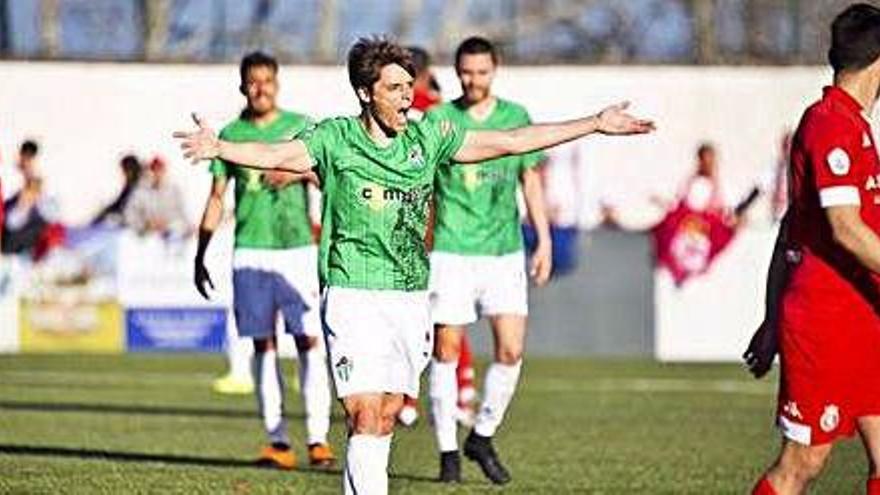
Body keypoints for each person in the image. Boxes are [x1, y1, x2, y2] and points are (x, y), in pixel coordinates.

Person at [174, 36, 654, 494]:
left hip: (408, 296)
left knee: (383, 416)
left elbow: (511, 140)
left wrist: (593, 122)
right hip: (352, 292)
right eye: (396, 89)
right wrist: (220, 147)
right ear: (365, 92)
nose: (409, 98)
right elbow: (275, 153)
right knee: (363, 414)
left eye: (410, 87)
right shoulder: (334, 138)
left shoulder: (430, 135)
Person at [746, 4, 880, 494]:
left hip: (864, 312)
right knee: (802, 463)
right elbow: (844, 229)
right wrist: (775, 319)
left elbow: (791, 230)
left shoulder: (855, 126)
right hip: (827, 320)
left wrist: (768, 316)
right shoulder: (830, 124)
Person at [193, 51, 335, 469]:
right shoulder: (230, 134)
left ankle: (317, 439)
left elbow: (329, 175)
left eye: (267, 81)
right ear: (242, 86)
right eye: (252, 81)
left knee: (309, 341)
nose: (260, 88)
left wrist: (295, 172)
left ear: (277, 84)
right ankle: (278, 442)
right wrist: (200, 254)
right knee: (263, 343)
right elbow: (217, 198)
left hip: (297, 250)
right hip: (249, 250)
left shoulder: (300, 127)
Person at [425, 36, 551, 485]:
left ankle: (481, 435)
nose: (472, 80)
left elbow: (530, 180)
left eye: (481, 72)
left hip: (503, 251)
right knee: (445, 350)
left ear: (494, 70)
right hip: (451, 249)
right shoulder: (439, 119)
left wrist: (544, 240)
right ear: (456, 71)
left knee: (512, 350)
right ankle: (446, 453)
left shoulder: (515, 118)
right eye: (465, 72)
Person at [1, 140, 61, 257]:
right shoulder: (11, 177)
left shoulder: (37, 183)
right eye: (25, 156)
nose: (27, 162)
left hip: (17, 244)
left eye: (30, 158)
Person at [123, 156, 190, 238]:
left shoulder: (174, 190)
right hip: (147, 237)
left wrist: (168, 223)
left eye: (160, 170)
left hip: (172, 235)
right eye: (154, 170)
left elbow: (183, 214)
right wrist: (146, 224)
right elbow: (129, 215)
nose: (157, 174)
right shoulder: (140, 192)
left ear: (165, 171)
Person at [91, 154, 142, 226]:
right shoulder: (131, 183)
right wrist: (106, 211)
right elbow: (120, 202)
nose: (124, 173)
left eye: (125, 169)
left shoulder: (140, 185)